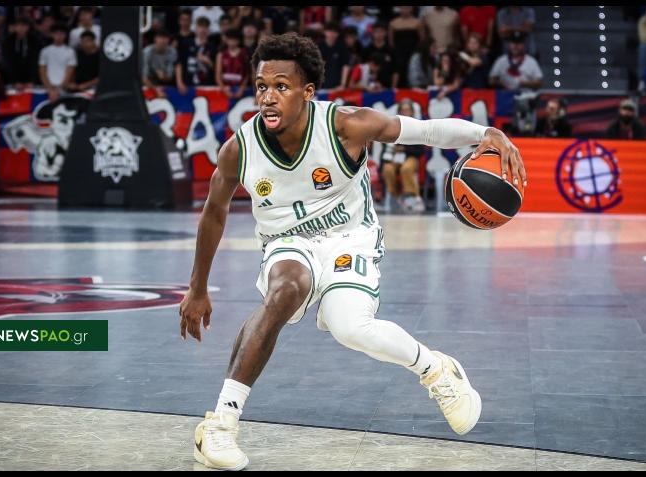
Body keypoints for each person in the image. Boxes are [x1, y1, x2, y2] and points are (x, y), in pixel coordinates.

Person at [179, 31, 527, 471]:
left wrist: (486, 132)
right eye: (262, 86)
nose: (268, 97)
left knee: (349, 327)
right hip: (287, 242)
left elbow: (424, 131)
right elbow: (214, 213)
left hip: (351, 236)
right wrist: (197, 288)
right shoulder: (240, 149)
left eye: (282, 86)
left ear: (307, 92)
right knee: (287, 290)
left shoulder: (345, 126)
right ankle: (220, 425)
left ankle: (436, 369)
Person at [380, 99, 426, 213]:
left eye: (407, 110)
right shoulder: (392, 126)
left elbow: (420, 150)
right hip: (394, 157)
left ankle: (411, 196)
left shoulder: (417, 126)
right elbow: (385, 146)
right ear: (399, 111)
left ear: (412, 112)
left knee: (406, 168)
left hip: (411, 157)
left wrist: (404, 148)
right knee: (387, 169)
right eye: (403, 110)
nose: (405, 112)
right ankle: (397, 195)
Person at [176, 16, 218, 94]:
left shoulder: (213, 46)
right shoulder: (186, 43)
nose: (202, 30)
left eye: (205, 27)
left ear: (208, 30)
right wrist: (179, 82)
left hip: (206, 86)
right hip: (188, 84)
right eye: (200, 26)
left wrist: (207, 61)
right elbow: (179, 64)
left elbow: (216, 68)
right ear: (196, 29)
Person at [38, 23, 76, 102]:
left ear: (65, 35)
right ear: (51, 35)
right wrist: (49, 88)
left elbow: (70, 72)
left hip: (63, 88)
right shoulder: (45, 51)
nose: (59, 36)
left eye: (61, 34)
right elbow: (42, 71)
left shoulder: (70, 51)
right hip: (48, 88)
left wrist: (60, 89)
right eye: (56, 34)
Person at [1, 16, 42, 89]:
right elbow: (8, 62)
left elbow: (35, 61)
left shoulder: (35, 41)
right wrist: (14, 81)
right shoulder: (8, 41)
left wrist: (32, 80)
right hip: (12, 78)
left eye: (23, 26)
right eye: (18, 25)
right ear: (15, 27)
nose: (21, 28)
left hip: (31, 78)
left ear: (28, 27)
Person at [389, 6, 423, 88]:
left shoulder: (417, 23)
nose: (405, 10)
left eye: (407, 8)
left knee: (413, 73)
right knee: (399, 72)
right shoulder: (393, 23)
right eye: (403, 8)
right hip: (399, 53)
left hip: (413, 52)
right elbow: (391, 42)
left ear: (412, 9)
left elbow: (422, 40)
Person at [215, 29, 249, 99]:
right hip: (225, 89)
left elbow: (247, 74)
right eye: (230, 40)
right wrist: (224, 89)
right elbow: (218, 75)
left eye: (234, 40)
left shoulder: (244, 54)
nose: (232, 42)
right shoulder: (221, 54)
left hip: (240, 89)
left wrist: (241, 89)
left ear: (238, 41)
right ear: (226, 40)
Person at [317, 22, 351, 91]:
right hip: (321, 86)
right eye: (329, 31)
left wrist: (343, 85)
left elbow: (346, 66)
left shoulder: (342, 47)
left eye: (335, 32)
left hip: (337, 86)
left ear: (338, 34)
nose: (332, 34)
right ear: (324, 32)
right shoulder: (318, 46)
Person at [362, 23, 397, 89]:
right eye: (376, 32)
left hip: (387, 86)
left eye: (381, 31)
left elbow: (395, 70)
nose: (379, 34)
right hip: (370, 87)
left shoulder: (391, 50)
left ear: (386, 33)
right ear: (372, 33)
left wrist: (393, 87)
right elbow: (364, 69)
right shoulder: (367, 50)